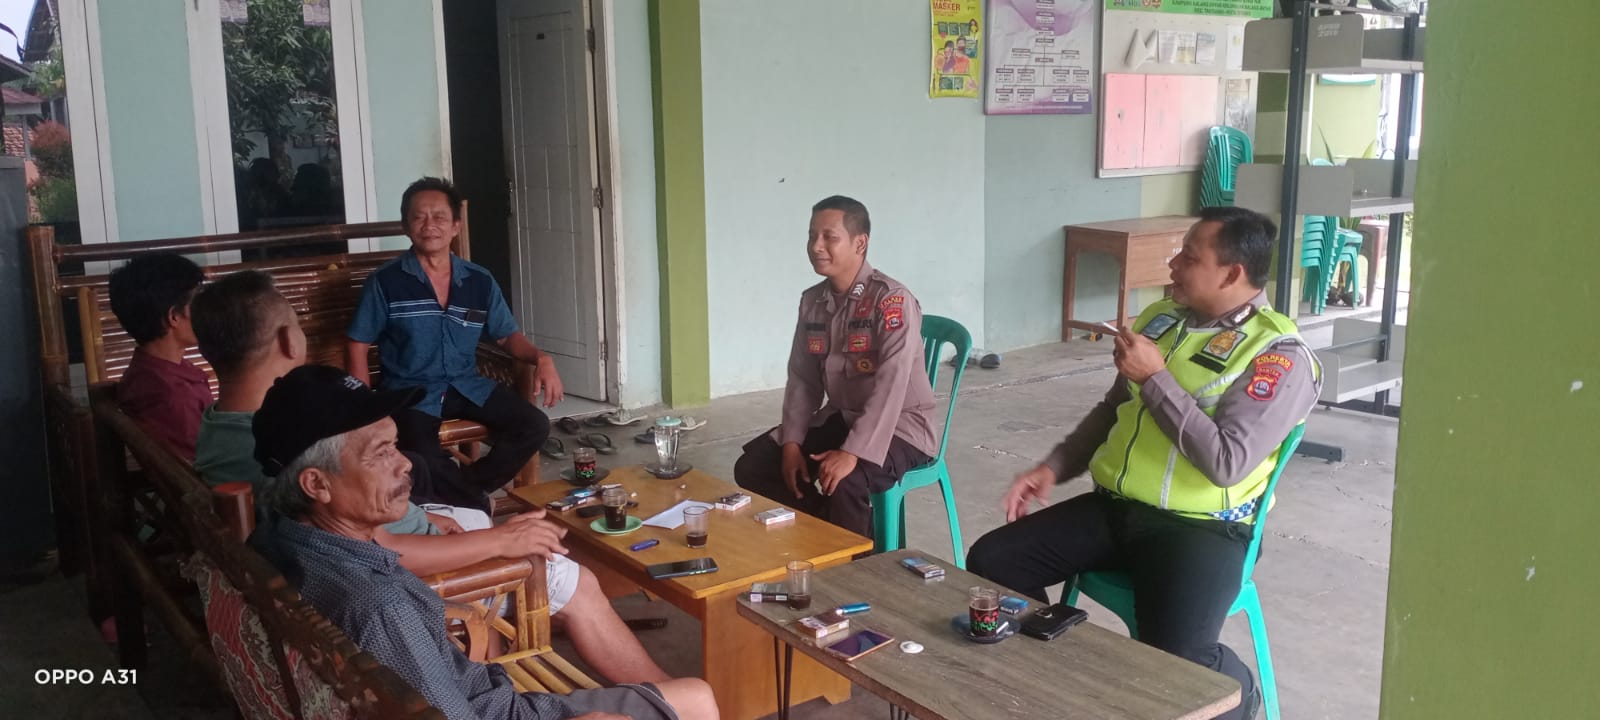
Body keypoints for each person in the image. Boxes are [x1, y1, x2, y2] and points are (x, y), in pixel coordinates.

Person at [193, 271, 672, 686]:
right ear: (288, 342)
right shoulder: (294, 455)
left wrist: (425, 517)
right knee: (574, 576)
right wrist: (499, 541)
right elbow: (378, 553)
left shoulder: (224, 430)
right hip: (421, 573)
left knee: (469, 500)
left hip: (402, 536)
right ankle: (661, 693)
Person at [965, 207, 1323, 720]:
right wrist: (1055, 466)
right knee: (994, 560)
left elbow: (1227, 462)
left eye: (1189, 258)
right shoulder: (1162, 318)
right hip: (1116, 508)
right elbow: (1115, 407)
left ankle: (1241, 690)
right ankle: (1067, 676)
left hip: (1200, 528)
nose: (1172, 265)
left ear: (1231, 274)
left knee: (1179, 664)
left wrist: (1156, 379)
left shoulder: (1278, 356)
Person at [248, 365, 718, 720]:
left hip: (480, 691)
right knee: (696, 700)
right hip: (493, 709)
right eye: (381, 454)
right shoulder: (381, 610)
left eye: (395, 445)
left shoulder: (277, 534)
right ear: (317, 484)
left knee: (691, 694)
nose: (405, 463)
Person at [347, 176, 560, 512]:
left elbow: (506, 335)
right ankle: (469, 501)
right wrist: (364, 408)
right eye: (419, 217)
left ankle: (465, 494)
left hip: (466, 385)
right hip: (410, 392)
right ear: (405, 226)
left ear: (456, 226)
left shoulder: (478, 280)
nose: (429, 225)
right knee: (421, 458)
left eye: (439, 217)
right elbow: (357, 344)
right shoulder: (386, 282)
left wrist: (542, 358)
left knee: (533, 425)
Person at [734, 196, 937, 538]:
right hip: (844, 416)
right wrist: (792, 442)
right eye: (812, 236)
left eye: (829, 237)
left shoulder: (891, 301)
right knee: (756, 465)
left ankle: (854, 561)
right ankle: (827, 537)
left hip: (902, 427)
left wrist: (852, 452)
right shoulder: (813, 301)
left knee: (845, 481)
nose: (816, 246)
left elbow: (891, 385)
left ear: (860, 243)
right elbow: (803, 379)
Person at [109, 253, 212, 461]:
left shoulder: (149, 373)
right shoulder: (171, 397)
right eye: (198, 302)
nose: (206, 311)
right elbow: (202, 470)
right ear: (174, 316)